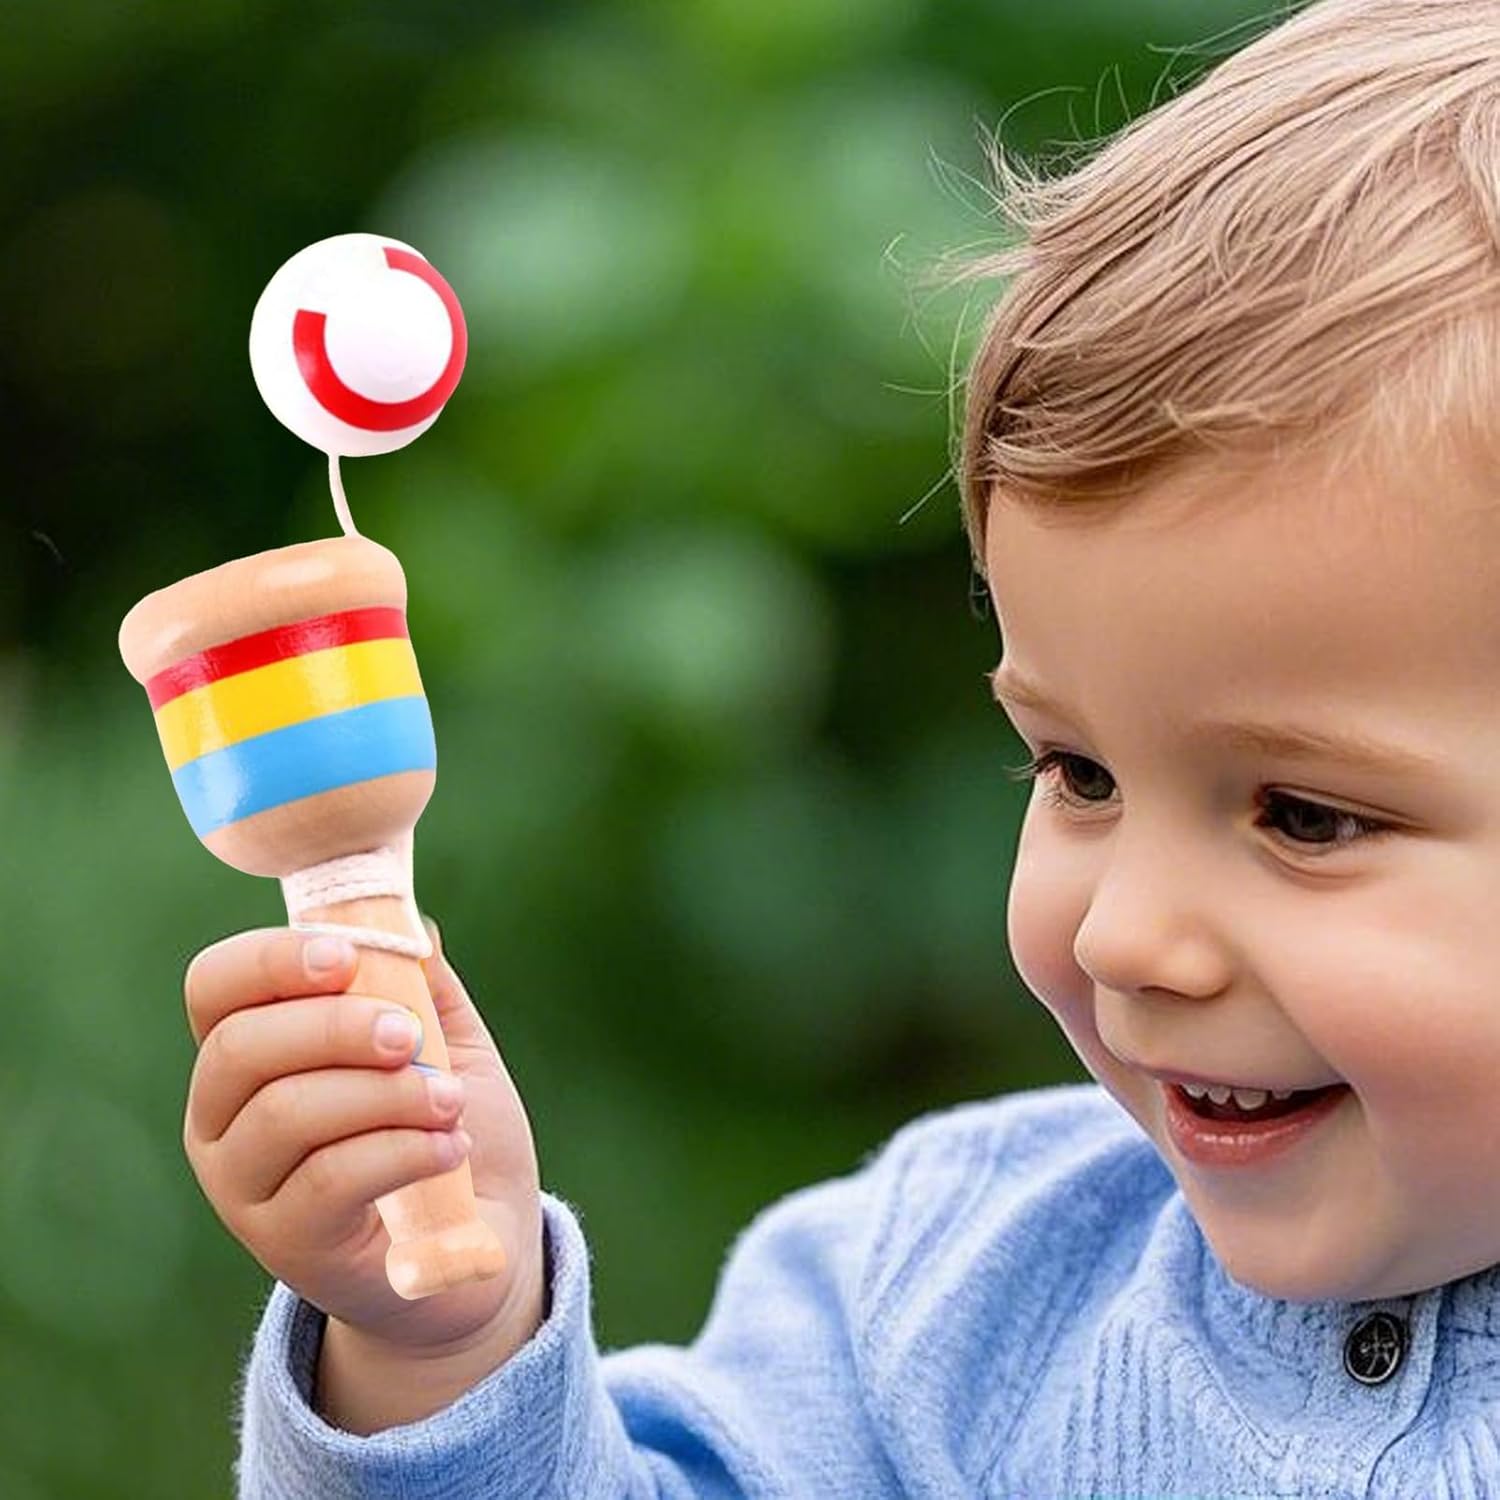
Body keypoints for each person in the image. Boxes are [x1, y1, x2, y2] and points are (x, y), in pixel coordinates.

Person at [199, 1, 1500, 1493]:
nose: (1127, 937)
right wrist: (439, 1359)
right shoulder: (944, 1297)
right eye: (1078, 773)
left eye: (1305, 816)